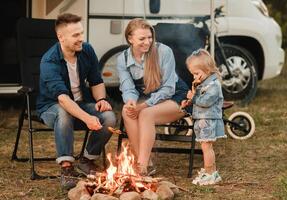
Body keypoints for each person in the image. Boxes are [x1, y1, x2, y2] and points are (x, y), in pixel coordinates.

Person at [36, 13, 116, 189]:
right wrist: (87, 118)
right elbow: (63, 100)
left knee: (109, 117)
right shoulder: (49, 61)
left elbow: (96, 81)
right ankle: (66, 168)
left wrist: (101, 99)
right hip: (51, 107)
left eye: (81, 33)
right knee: (63, 112)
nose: (81, 38)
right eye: (75, 35)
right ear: (61, 37)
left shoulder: (86, 50)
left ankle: (86, 160)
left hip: (81, 102)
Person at [116, 18, 190, 175]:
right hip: (149, 97)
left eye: (149, 37)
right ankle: (146, 163)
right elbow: (128, 87)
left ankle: (140, 167)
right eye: (142, 38)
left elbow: (169, 88)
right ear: (130, 38)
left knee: (146, 114)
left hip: (176, 96)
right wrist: (130, 102)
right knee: (126, 112)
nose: (147, 42)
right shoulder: (122, 59)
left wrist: (143, 105)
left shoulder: (163, 52)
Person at [181, 49, 226, 185]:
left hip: (208, 120)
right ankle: (211, 172)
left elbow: (205, 102)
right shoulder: (203, 83)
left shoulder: (214, 85)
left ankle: (210, 173)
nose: (194, 77)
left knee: (207, 147)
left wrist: (192, 97)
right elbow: (198, 100)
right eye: (193, 74)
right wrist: (188, 102)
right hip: (202, 120)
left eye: (196, 73)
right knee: (205, 147)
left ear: (207, 69)